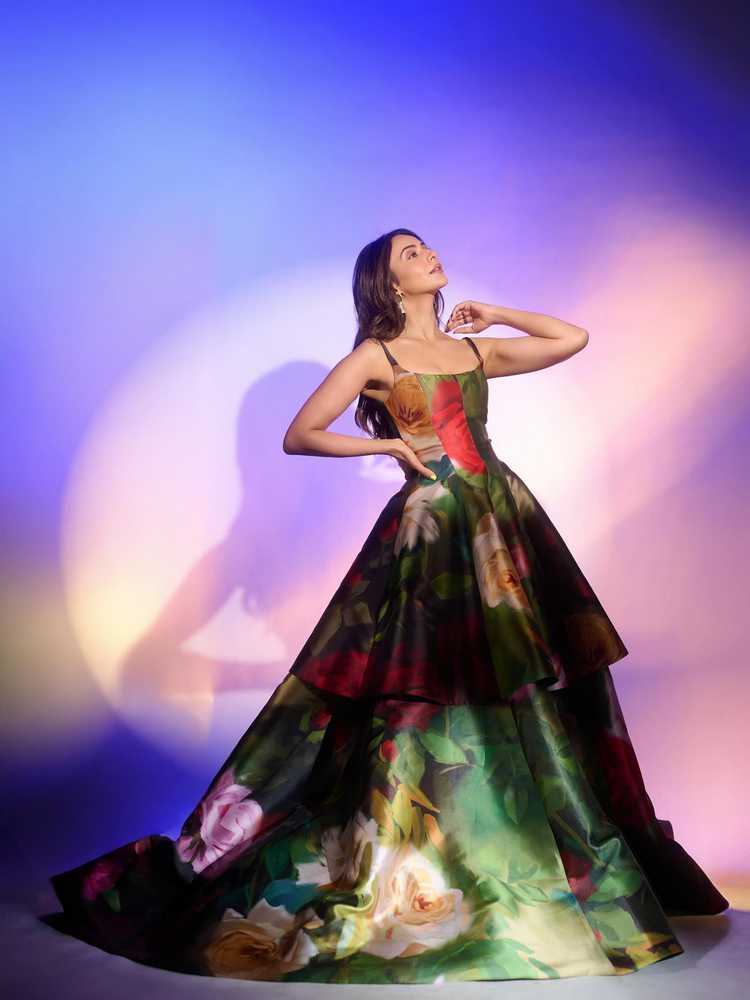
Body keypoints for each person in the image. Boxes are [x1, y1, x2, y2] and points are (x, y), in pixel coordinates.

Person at [40, 228, 729, 983]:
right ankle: (425, 856)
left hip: (499, 522)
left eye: (426, 247)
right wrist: (386, 449)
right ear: (389, 282)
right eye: (410, 253)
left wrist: (496, 313)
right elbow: (300, 434)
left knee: (524, 683)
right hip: (432, 531)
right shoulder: (377, 356)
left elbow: (574, 338)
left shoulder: (471, 352)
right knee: (421, 693)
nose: (428, 255)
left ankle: (519, 853)